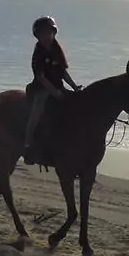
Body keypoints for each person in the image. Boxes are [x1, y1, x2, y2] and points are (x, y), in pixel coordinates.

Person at [24, 15, 81, 163]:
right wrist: (53, 92)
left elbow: (63, 72)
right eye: (43, 33)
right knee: (38, 110)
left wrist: (74, 87)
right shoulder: (39, 53)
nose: (47, 36)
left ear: (54, 33)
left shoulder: (57, 50)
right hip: (41, 88)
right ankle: (28, 143)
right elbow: (41, 77)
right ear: (37, 35)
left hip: (57, 85)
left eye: (49, 33)